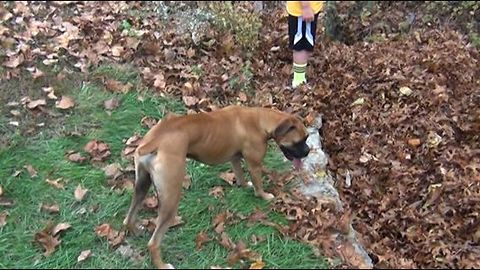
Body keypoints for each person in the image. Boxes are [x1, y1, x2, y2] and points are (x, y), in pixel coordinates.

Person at [286, 1, 325, 89]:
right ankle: (299, 81)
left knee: (305, 43)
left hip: (308, 9)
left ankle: (301, 76)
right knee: (301, 45)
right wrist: (306, 7)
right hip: (302, 12)